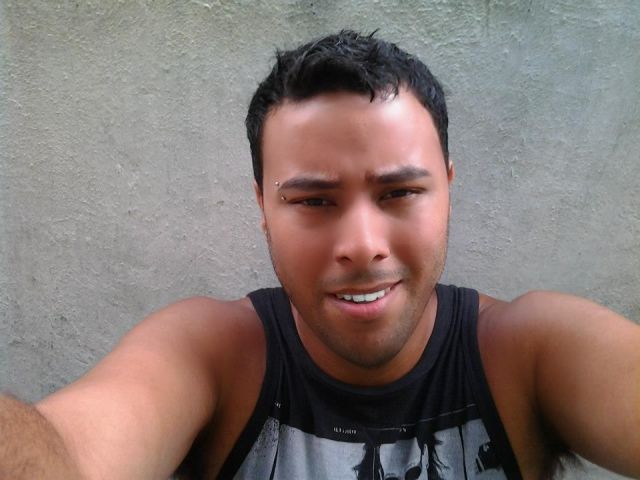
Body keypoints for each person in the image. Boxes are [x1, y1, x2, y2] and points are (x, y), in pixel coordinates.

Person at [1, 30, 638, 480]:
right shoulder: (210, 358)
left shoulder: (530, 355)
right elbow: (69, 457)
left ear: (449, 190)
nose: (361, 246)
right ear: (262, 206)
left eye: (400, 192)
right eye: (313, 201)